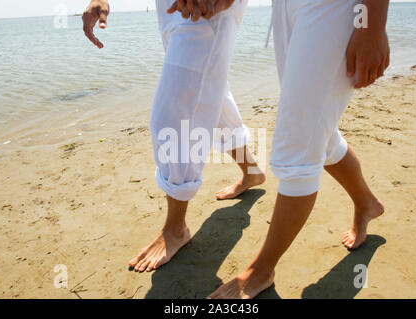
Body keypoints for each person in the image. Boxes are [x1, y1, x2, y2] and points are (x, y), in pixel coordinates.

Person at [202, 0, 390, 298]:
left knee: (298, 147)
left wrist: (372, 23)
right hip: (287, 6)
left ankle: (261, 270)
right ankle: (366, 202)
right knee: (320, 135)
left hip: (336, 6)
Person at [82, 0, 266, 273]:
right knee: (208, 90)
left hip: (207, 6)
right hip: (170, 7)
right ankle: (251, 171)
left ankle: (176, 228)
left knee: (174, 116)